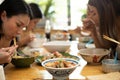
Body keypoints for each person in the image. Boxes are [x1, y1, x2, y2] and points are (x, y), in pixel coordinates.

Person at [0, 0, 32, 65]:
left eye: (23, 27)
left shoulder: (10, 37)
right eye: (18, 24)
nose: (20, 32)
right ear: (3, 16)